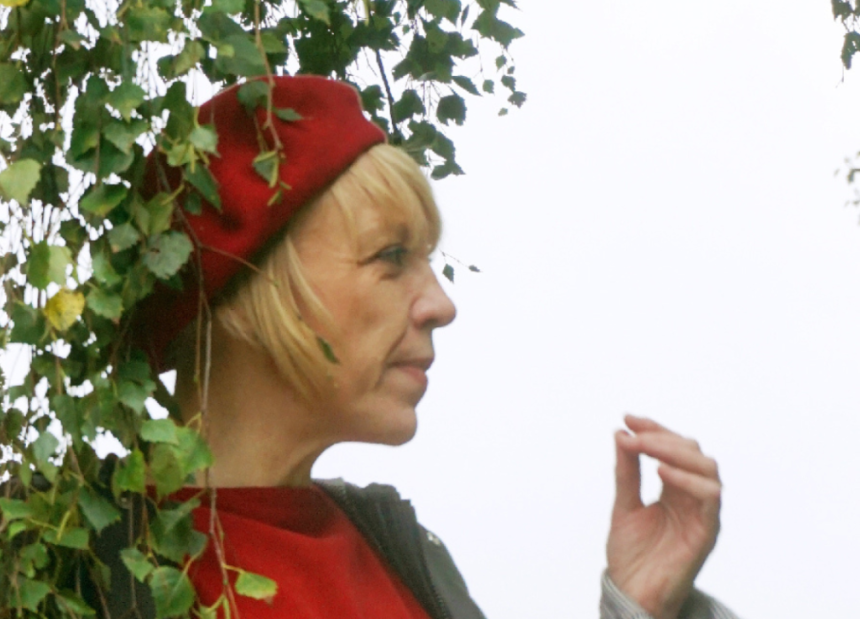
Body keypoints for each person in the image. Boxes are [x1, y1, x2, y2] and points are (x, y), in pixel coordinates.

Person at [101, 76, 740, 619]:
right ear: (248, 288)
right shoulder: (72, 566)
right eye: (392, 255)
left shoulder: (400, 554)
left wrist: (640, 606)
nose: (441, 305)